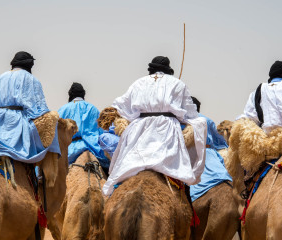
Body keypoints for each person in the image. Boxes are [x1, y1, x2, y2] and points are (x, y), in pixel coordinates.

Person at [101, 56, 207, 196]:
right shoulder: (178, 84)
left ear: (151, 69)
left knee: (124, 168)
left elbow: (120, 105)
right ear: (169, 71)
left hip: (139, 130)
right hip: (167, 130)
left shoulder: (138, 83)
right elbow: (191, 114)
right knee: (179, 173)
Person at [189, 97, 232, 202]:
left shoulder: (183, 120)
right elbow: (220, 143)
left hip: (190, 155)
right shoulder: (207, 120)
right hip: (209, 154)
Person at [58, 82, 109, 169]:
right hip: (93, 148)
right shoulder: (93, 109)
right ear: (83, 94)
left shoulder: (63, 109)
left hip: (69, 150)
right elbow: (101, 132)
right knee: (111, 169)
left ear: (70, 95)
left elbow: (57, 133)